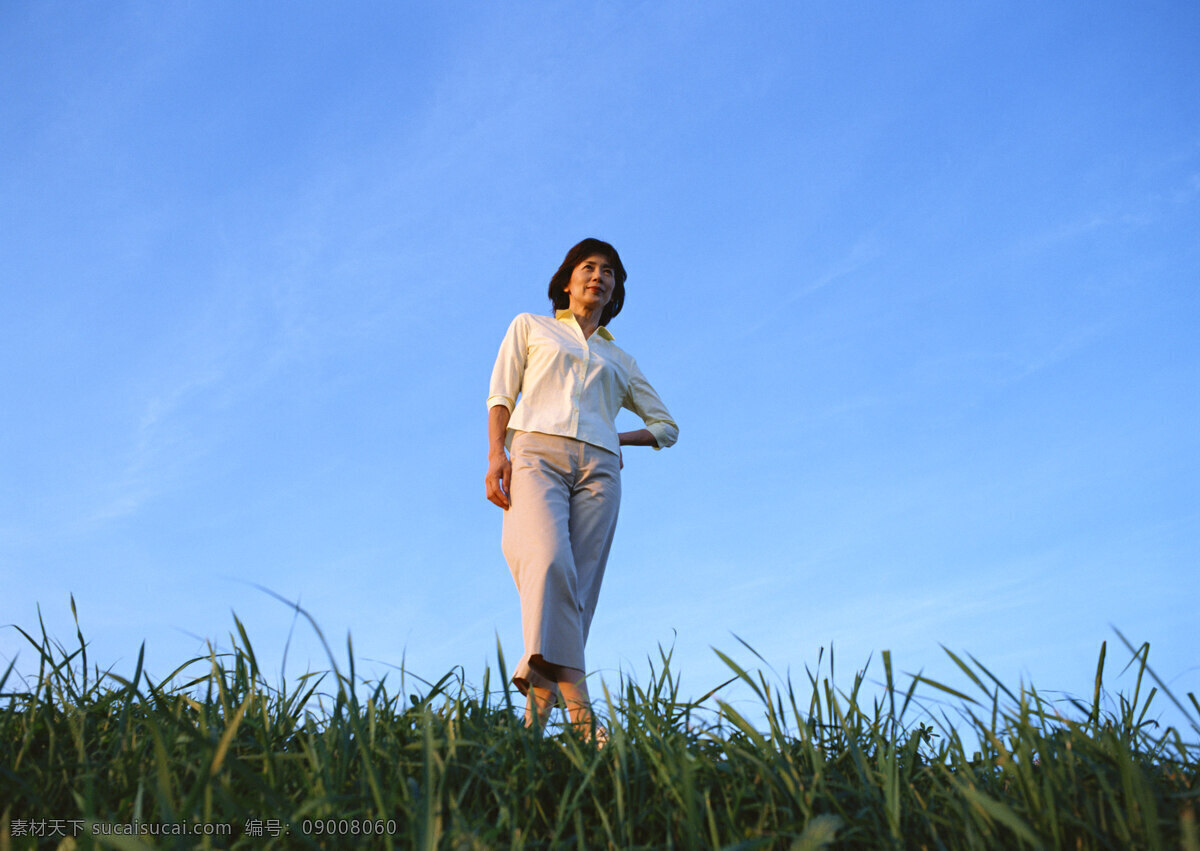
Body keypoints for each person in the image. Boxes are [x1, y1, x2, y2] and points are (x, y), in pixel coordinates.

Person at [485, 238, 678, 738]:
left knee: (577, 597)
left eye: (609, 271)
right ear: (567, 279)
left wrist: (616, 437)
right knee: (549, 563)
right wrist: (495, 456)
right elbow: (501, 393)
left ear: (615, 290)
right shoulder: (532, 326)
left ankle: (530, 734)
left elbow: (666, 427)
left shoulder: (622, 359)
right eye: (589, 267)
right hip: (535, 454)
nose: (599, 275)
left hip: (600, 470)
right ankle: (585, 721)